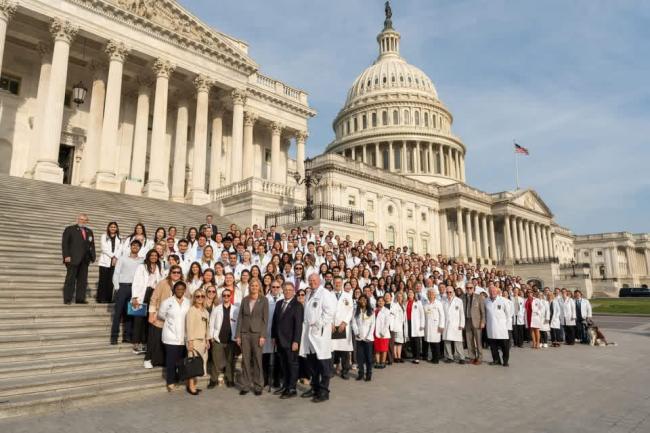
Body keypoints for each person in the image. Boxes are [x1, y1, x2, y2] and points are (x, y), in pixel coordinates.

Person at [299, 273, 337, 402]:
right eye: (310, 280)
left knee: (323, 364)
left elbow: (329, 312)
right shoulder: (309, 293)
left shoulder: (325, 293)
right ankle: (314, 387)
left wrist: (318, 324)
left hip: (320, 334)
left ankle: (324, 391)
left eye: (314, 280)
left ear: (319, 281)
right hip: (309, 335)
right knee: (312, 364)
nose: (312, 282)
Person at [145, 264, 184, 369]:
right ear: (170, 273)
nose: (176, 274)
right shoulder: (163, 283)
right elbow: (154, 298)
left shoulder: (184, 285)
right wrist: (151, 313)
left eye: (178, 272)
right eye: (174, 272)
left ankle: (162, 361)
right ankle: (148, 359)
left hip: (175, 319)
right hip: (160, 316)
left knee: (168, 341)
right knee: (155, 339)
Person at [236, 278, 269, 396]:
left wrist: (263, 336)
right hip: (245, 334)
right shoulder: (245, 300)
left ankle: (258, 386)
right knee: (245, 360)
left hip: (257, 334)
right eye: (252, 285)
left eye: (256, 285)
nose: (254, 287)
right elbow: (240, 318)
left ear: (259, 287)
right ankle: (245, 385)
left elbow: (265, 320)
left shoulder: (264, 300)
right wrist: (238, 335)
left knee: (257, 360)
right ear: (249, 287)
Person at [271, 282, 304, 398]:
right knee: (283, 365)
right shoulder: (279, 303)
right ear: (282, 291)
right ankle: (285, 385)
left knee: (292, 365)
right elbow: (275, 322)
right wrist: (273, 336)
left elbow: (298, 325)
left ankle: (292, 388)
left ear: (294, 291)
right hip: (280, 340)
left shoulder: (297, 305)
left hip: (291, 342)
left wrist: (296, 341)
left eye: (290, 290)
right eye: (285, 290)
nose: (288, 291)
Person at [158, 281, 190, 392]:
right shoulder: (167, 302)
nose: (180, 291)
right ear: (174, 290)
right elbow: (161, 315)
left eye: (182, 289)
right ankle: (170, 381)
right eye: (178, 289)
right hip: (170, 335)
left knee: (180, 360)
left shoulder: (188, 302)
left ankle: (179, 377)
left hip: (183, 336)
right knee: (171, 360)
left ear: (185, 291)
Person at [130, 249, 163, 354]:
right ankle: (136, 344)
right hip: (142, 294)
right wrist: (135, 297)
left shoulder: (158, 267)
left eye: (155, 255)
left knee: (149, 320)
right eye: (152, 255)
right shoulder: (142, 267)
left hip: (153, 295)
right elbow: (136, 281)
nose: (154, 257)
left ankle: (145, 343)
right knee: (138, 320)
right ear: (148, 256)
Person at [110, 239, 142, 344]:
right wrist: (117, 287)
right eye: (133, 245)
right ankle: (114, 337)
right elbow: (116, 273)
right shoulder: (123, 259)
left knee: (130, 313)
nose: (135, 247)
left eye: (137, 246)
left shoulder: (141, 260)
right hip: (123, 287)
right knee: (118, 313)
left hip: (134, 289)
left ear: (139, 248)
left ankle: (127, 336)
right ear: (130, 246)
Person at [61, 213, 96, 304]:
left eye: (85, 220)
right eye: (81, 219)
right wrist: (66, 256)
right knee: (70, 279)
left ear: (87, 221)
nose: (82, 221)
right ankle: (67, 299)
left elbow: (92, 245)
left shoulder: (89, 231)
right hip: (73, 258)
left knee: (82, 280)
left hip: (85, 260)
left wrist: (93, 256)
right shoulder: (70, 229)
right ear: (77, 219)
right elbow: (65, 244)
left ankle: (80, 299)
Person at [208, 287, 239, 389]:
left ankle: (230, 380)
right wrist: (211, 337)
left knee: (230, 361)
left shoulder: (235, 310)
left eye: (228, 295)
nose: (226, 297)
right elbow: (211, 323)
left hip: (231, 339)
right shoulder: (216, 309)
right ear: (222, 297)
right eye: (224, 295)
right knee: (216, 361)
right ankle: (213, 380)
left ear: (231, 297)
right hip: (218, 339)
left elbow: (238, 324)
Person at [186, 288, 210, 395]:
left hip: (203, 341)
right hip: (194, 341)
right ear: (194, 298)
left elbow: (207, 327)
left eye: (202, 296)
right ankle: (191, 386)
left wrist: (207, 340)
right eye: (198, 296)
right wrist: (190, 341)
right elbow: (189, 327)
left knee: (199, 364)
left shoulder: (205, 311)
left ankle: (193, 384)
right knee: (193, 365)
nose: (200, 298)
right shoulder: (192, 310)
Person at [331, 276, 354, 379]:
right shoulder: (328, 295)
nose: (337, 284)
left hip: (343, 326)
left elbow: (350, 310)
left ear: (342, 283)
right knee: (331, 350)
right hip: (331, 326)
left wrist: (344, 322)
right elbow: (326, 310)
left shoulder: (347, 296)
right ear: (333, 283)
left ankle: (345, 371)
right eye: (336, 282)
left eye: (339, 282)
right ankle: (330, 371)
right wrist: (330, 323)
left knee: (344, 350)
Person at [262, 280, 282, 389]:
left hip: (279, 333)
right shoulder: (265, 299)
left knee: (278, 357)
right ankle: (265, 379)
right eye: (273, 287)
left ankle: (276, 380)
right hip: (267, 331)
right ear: (270, 287)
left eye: (277, 287)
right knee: (265, 356)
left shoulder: (283, 299)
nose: (275, 289)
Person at [484, 284, 510, 367]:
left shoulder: (503, 300)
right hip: (491, 327)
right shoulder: (486, 301)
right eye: (490, 291)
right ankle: (496, 360)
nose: (492, 292)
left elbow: (508, 314)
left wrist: (507, 326)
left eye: (494, 291)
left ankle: (505, 361)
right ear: (488, 292)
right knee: (493, 346)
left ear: (497, 292)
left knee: (504, 347)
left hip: (502, 328)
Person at [351, 294, 375, 381]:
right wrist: (356, 333)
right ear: (359, 301)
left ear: (367, 301)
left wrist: (368, 336)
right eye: (361, 300)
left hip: (368, 339)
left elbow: (373, 325)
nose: (363, 301)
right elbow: (353, 323)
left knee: (368, 357)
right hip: (359, 337)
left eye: (365, 300)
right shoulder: (356, 311)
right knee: (359, 357)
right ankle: (360, 373)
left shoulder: (371, 311)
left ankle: (369, 373)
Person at [97, 221, 121, 303]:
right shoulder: (104, 236)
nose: (113, 228)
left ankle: (108, 298)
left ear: (117, 228)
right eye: (111, 227)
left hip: (114, 262)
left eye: (114, 227)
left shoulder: (119, 238)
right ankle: (100, 298)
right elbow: (104, 248)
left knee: (111, 281)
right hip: (105, 261)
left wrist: (115, 257)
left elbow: (120, 249)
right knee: (103, 280)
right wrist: (113, 256)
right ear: (108, 228)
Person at [462, 282, 485, 365]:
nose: (469, 289)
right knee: (469, 340)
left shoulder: (479, 297)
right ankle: (472, 357)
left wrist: (483, 322)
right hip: (467, 321)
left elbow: (483, 311)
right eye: (467, 288)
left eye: (470, 288)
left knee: (478, 340)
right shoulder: (462, 297)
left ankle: (480, 357)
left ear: (473, 288)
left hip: (477, 322)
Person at [442, 286, 466, 364]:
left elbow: (462, 313)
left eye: (450, 292)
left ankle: (462, 357)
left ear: (453, 292)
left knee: (458, 342)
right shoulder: (443, 301)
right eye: (447, 292)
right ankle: (449, 357)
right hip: (446, 324)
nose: (449, 294)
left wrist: (462, 324)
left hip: (456, 324)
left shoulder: (459, 301)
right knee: (447, 341)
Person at [423, 287, 445, 364]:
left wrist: (441, 325)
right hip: (428, 326)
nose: (430, 295)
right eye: (429, 294)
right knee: (430, 342)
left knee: (435, 343)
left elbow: (442, 315)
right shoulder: (426, 304)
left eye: (432, 294)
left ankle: (436, 359)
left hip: (436, 326)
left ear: (435, 295)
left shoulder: (438, 303)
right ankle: (432, 357)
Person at [405, 288, 425, 364]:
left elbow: (422, 314)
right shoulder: (406, 302)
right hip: (408, 323)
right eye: (409, 293)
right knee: (411, 340)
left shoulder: (418, 302)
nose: (410, 294)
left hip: (416, 324)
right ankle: (414, 356)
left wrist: (422, 324)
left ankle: (417, 357)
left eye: (411, 293)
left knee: (416, 341)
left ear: (414, 294)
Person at [373, 296, 391, 369]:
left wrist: (383, 332)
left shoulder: (386, 311)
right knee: (377, 348)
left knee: (384, 348)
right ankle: (377, 362)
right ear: (377, 302)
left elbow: (387, 323)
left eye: (382, 301)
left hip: (384, 332)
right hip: (375, 331)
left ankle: (383, 362)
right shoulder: (374, 310)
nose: (380, 302)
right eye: (379, 301)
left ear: (384, 302)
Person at [389, 290, 406, 363]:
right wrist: (392, 326)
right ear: (396, 297)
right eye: (398, 296)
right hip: (396, 325)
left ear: (403, 297)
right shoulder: (394, 305)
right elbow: (392, 315)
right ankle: (395, 356)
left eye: (401, 296)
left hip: (402, 325)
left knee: (400, 342)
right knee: (396, 342)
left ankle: (399, 356)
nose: (399, 298)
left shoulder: (403, 305)